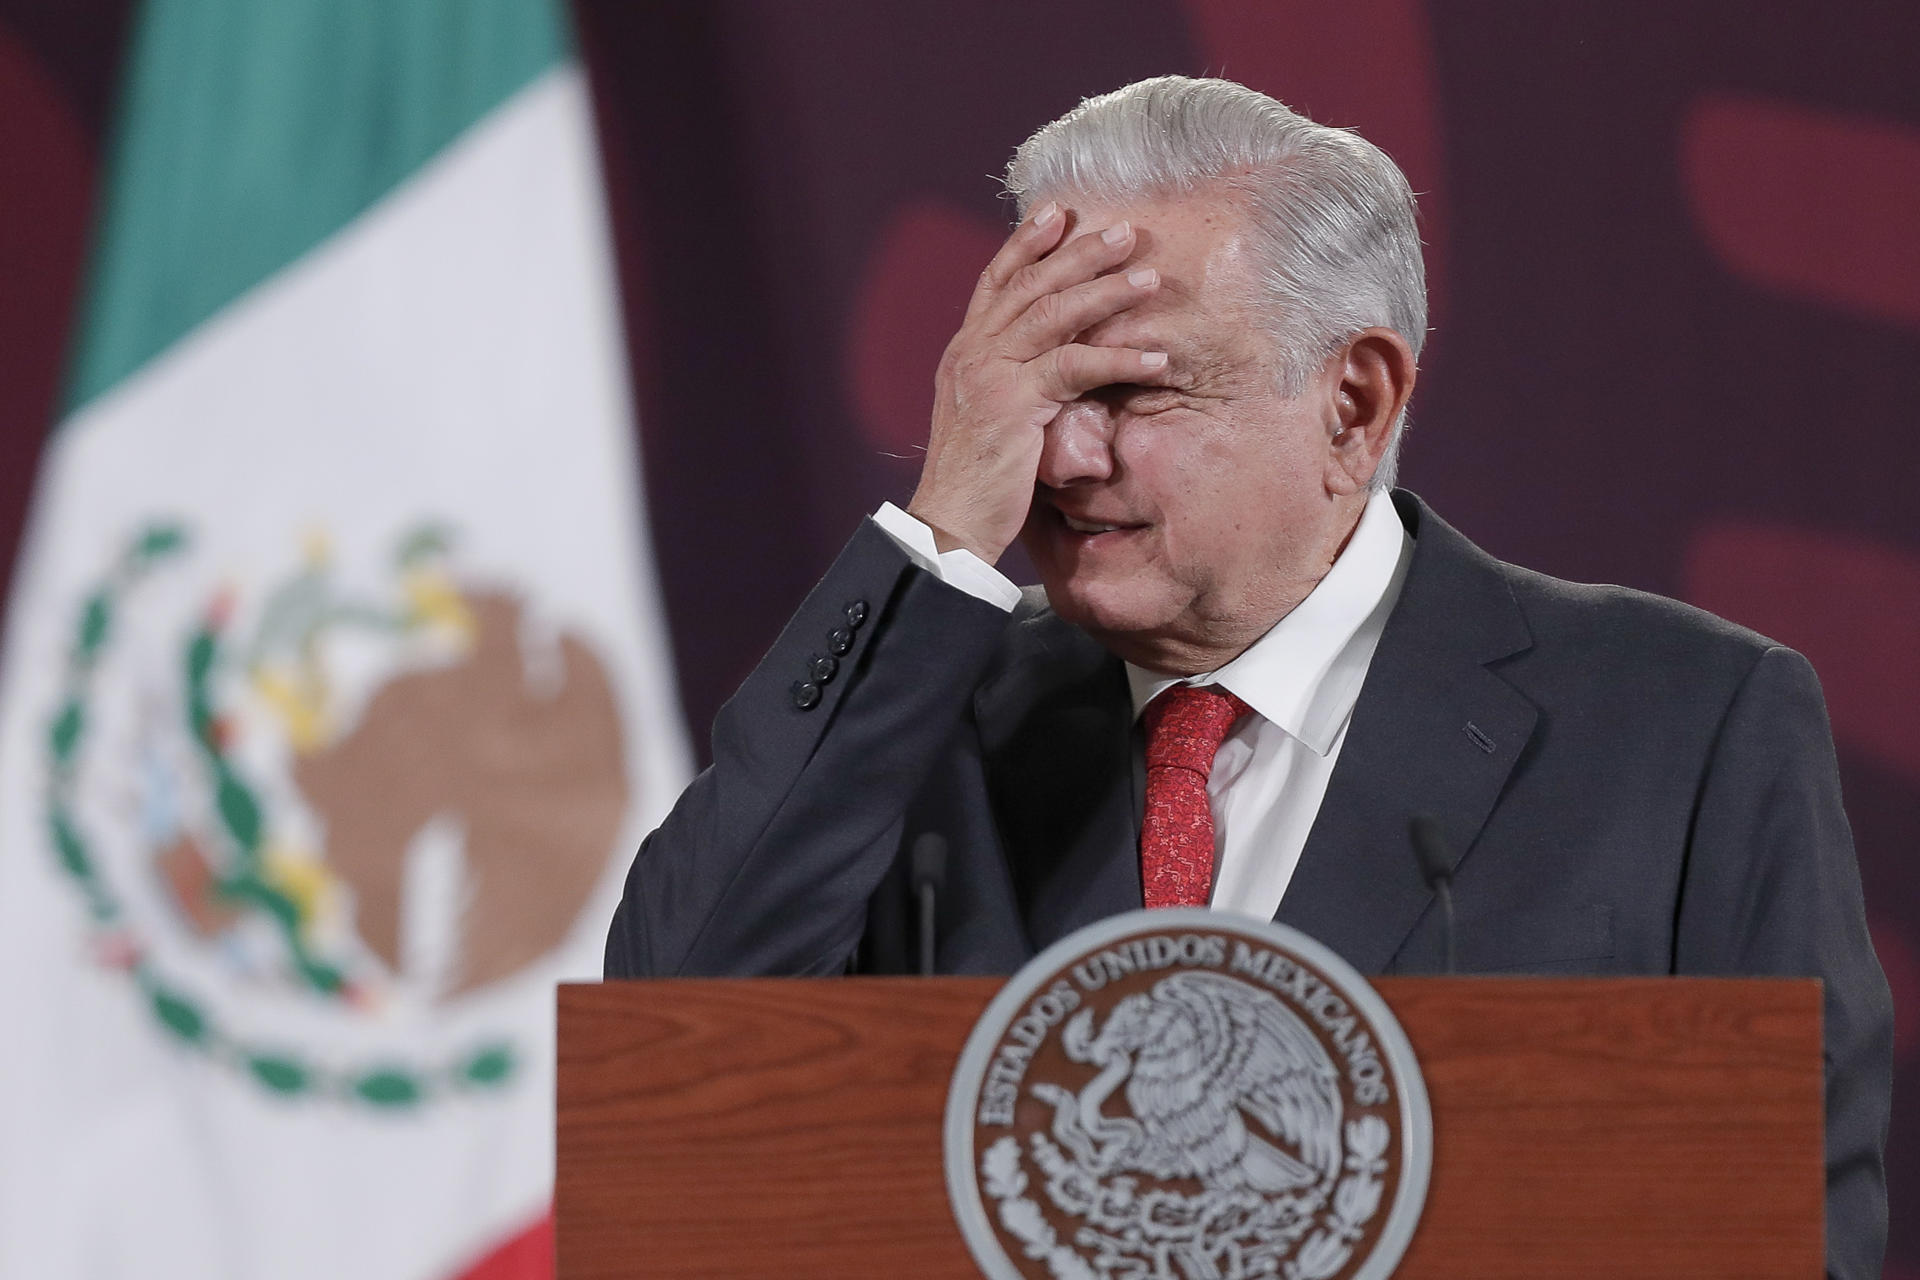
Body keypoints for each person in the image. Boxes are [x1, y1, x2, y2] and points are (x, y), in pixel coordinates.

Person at [603, 77, 1890, 1275]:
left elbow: (1786, 1232)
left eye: (1127, 389)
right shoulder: (922, 719)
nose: (1064, 457)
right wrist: (941, 526)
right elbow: (667, 1074)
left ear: (1354, 403)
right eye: (1032, 390)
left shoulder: (1684, 724)